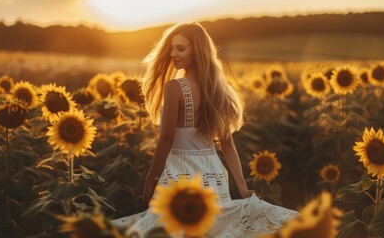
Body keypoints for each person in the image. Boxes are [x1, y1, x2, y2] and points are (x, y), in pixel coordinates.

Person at [112, 22, 297, 237]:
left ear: (197, 51)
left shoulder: (175, 88)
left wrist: (151, 177)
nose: (173, 54)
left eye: (180, 48)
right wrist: (242, 186)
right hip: (214, 174)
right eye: (171, 48)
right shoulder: (219, 88)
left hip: (180, 172)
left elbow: (167, 139)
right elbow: (228, 144)